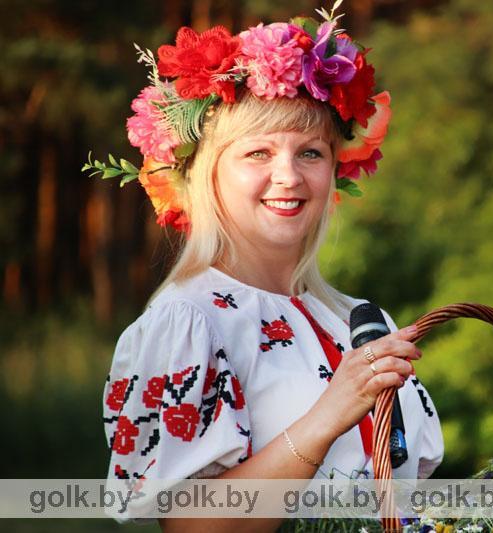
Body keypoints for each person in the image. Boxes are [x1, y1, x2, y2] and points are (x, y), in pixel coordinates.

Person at [95, 9, 444, 532]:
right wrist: (329, 415)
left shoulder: (358, 319)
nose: (289, 176)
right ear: (208, 174)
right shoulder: (190, 321)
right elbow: (194, 527)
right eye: (258, 152)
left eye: (311, 153)